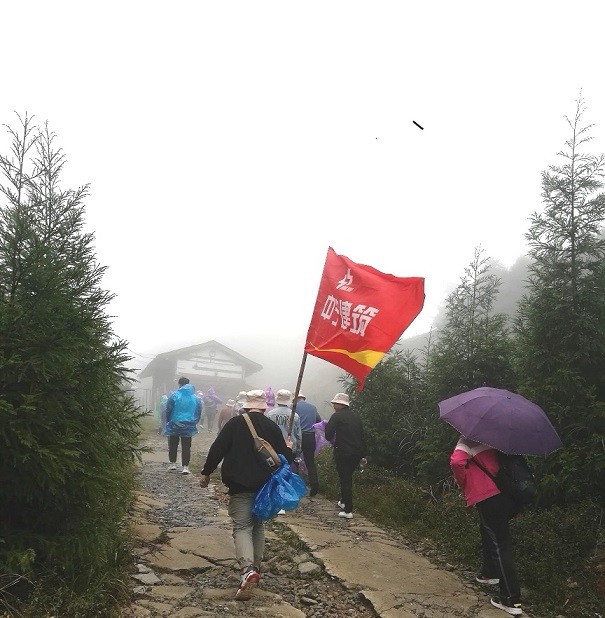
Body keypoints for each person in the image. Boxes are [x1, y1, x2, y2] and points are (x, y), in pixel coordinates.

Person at [199, 389, 293, 601]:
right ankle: (255, 568)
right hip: (265, 487)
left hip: (240, 485)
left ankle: (247, 569)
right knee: (258, 525)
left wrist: (206, 472)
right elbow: (285, 458)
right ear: (264, 408)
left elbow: (217, 449)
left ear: (246, 406)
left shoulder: (235, 423)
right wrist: (289, 448)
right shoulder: (272, 427)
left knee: (242, 527)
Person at [450, 436, 523, 616]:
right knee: (489, 531)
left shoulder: (468, 439)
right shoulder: (499, 439)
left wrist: (462, 482)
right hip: (508, 496)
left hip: (489, 496)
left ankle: (511, 599)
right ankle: (489, 573)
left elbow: (457, 462)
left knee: (500, 545)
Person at [324, 392, 366, 519]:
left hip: (343, 452)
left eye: (335, 403)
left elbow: (328, 434)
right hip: (356, 453)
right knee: (347, 477)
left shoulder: (337, 416)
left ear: (340, 404)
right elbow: (362, 436)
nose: (333, 405)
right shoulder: (356, 417)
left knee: (345, 479)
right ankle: (343, 502)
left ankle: (348, 510)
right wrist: (363, 455)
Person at [164, 377, 202, 475]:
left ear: (179, 384)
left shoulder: (174, 395)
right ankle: (185, 467)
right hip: (189, 424)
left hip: (174, 423)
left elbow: (168, 409)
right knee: (186, 446)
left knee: (173, 444)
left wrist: (168, 420)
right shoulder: (196, 398)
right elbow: (198, 411)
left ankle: (173, 464)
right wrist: (195, 422)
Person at [293, 392, 322, 496]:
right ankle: (314, 485)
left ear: (295, 398)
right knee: (310, 461)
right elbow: (318, 420)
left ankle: (295, 486)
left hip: (298, 437)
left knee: (295, 461)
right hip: (310, 437)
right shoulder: (313, 407)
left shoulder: (293, 407)